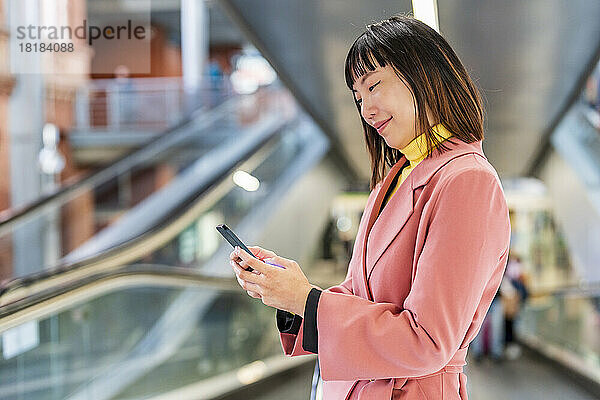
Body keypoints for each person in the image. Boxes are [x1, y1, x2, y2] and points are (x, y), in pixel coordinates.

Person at [229, 15, 510, 399]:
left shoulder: (467, 181)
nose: (367, 110)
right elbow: (362, 296)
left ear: (425, 74)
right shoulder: (393, 180)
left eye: (374, 86)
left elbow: (426, 341)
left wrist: (305, 300)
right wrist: (291, 290)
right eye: (359, 98)